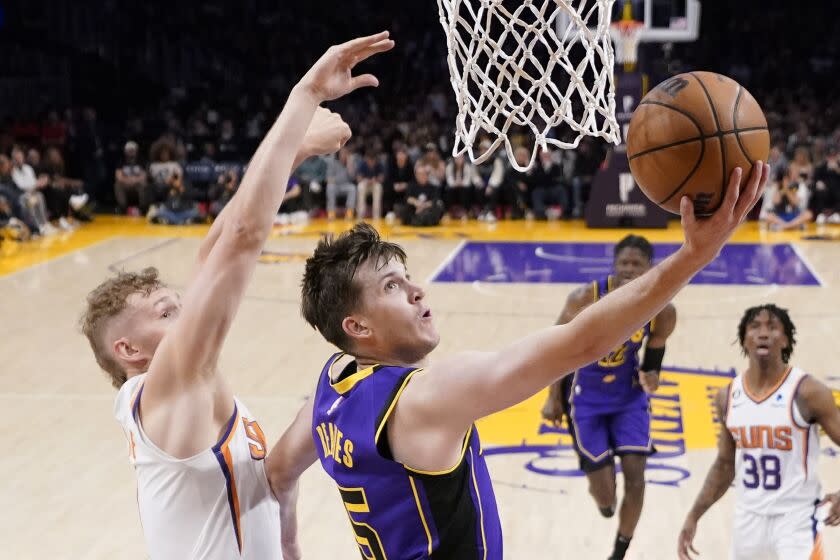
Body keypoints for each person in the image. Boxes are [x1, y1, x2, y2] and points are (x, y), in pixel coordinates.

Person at [265, 162, 769, 558]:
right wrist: (693, 257)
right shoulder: (424, 399)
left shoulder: (331, 387)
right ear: (357, 327)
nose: (418, 290)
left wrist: (288, 546)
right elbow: (579, 344)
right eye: (392, 286)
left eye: (407, 275)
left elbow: (279, 475)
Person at [78, 32, 392, 559]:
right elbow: (241, 242)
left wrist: (296, 152)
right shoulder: (167, 388)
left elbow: (215, 249)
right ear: (129, 350)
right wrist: (305, 94)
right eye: (164, 312)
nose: (187, 309)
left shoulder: (181, 394)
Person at [541, 234, 677, 560]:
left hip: (628, 399)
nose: (630, 269)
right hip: (586, 400)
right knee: (605, 497)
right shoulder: (583, 298)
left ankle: (619, 551)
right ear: (615, 265)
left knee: (637, 478)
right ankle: (604, 496)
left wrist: (652, 375)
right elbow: (555, 347)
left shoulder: (662, 308)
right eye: (624, 263)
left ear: (649, 268)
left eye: (637, 264)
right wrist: (553, 397)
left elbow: (654, 355)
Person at [678, 304, 840, 560]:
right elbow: (723, 465)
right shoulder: (728, 396)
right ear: (744, 340)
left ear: (785, 340)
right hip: (748, 520)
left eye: (773, 327)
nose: (763, 333)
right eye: (755, 327)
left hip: (796, 520)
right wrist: (693, 515)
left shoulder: (808, 392)